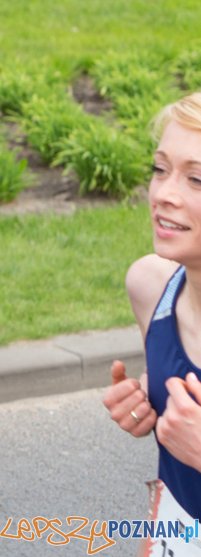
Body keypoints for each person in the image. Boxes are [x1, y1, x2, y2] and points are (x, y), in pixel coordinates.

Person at [104, 93, 201, 519]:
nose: (164, 193)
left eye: (197, 180)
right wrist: (148, 406)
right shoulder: (152, 288)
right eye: (160, 169)